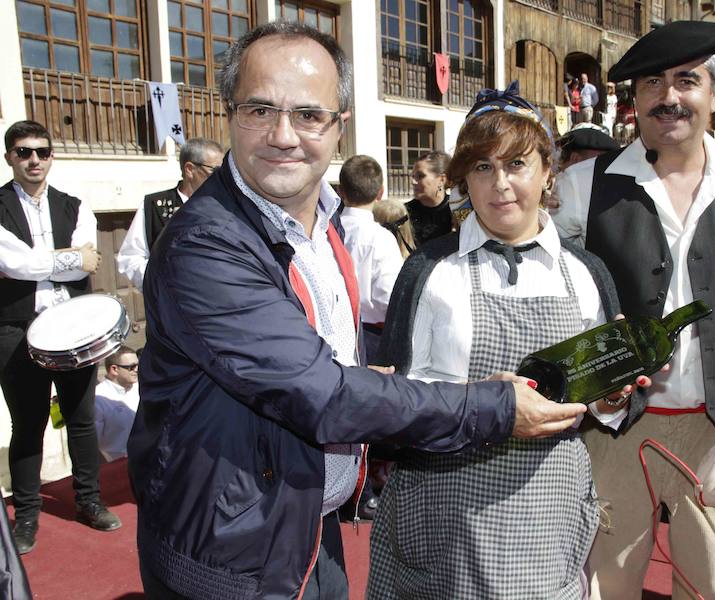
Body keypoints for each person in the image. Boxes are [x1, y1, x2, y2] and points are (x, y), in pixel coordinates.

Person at [127, 22, 585, 600]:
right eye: (260, 109)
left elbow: (332, 365)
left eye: (309, 114)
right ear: (228, 114)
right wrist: (492, 405)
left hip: (306, 527)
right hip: (232, 555)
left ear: (340, 125)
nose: (283, 134)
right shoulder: (206, 243)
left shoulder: (328, 222)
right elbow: (321, 393)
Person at [560, 22, 715, 599]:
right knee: (605, 588)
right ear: (634, 100)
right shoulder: (581, 186)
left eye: (686, 81)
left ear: (714, 94)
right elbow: (553, 304)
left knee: (712, 589)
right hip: (612, 432)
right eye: (652, 83)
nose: (669, 97)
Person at [368, 80, 639, 599]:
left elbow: (611, 404)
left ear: (547, 170)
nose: (500, 185)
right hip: (444, 513)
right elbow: (394, 400)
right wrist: (475, 404)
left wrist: (613, 396)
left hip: (546, 510)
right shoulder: (428, 270)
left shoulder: (586, 273)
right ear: (464, 177)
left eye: (516, 164)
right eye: (483, 167)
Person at [0, 120, 121, 555]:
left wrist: (35, 262)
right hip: (16, 333)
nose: (34, 159)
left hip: (74, 331)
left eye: (42, 151)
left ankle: (89, 500)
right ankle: (28, 515)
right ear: (10, 156)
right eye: (24, 151)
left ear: (51, 156)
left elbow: (84, 265)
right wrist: (61, 259)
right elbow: (8, 262)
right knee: (28, 424)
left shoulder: (75, 205)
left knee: (81, 419)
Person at [116, 138, 224, 291]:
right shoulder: (155, 205)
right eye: (215, 171)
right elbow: (130, 258)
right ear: (189, 169)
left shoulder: (225, 207)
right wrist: (165, 281)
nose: (220, 178)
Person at [338, 155, 403, 346]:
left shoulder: (325, 231)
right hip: (371, 335)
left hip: (334, 332)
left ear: (341, 192)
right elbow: (388, 296)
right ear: (380, 193)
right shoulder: (381, 238)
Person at [94, 346, 140, 462]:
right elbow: (92, 445)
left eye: (138, 365)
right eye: (131, 367)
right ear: (114, 369)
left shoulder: (141, 388)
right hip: (116, 466)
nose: (137, 369)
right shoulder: (98, 398)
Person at [406, 151, 452, 246]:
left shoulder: (457, 209)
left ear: (442, 179)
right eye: (413, 176)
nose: (413, 182)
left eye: (420, 176)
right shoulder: (404, 213)